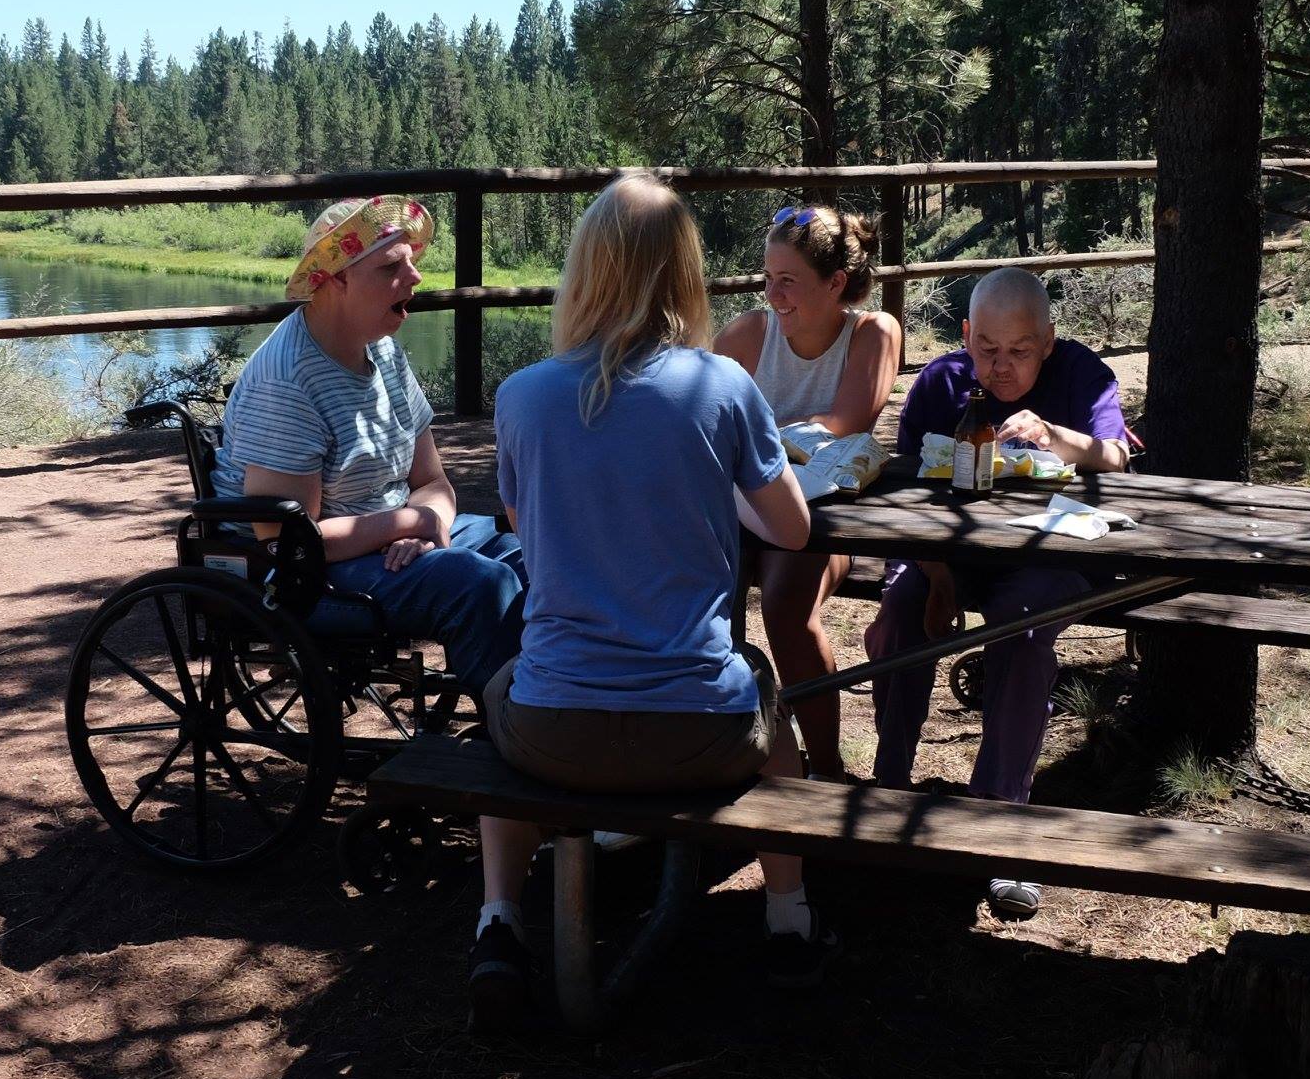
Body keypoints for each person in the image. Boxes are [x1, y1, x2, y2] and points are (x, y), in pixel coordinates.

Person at [470, 174, 831, 1032]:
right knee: (767, 696)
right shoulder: (723, 388)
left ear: (584, 271)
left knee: (498, 693)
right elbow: (791, 528)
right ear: (683, 275)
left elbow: (527, 520)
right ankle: (788, 918)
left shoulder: (521, 395)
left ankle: (498, 923)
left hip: (557, 729)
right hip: (697, 731)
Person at [863, 266, 1130, 921]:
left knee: (1023, 626)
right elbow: (909, 501)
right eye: (985, 348)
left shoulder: (1080, 374)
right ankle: (888, 784)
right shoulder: (939, 383)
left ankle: (998, 824)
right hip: (951, 552)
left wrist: (1053, 436)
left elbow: (1115, 455)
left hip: (1052, 555)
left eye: (1018, 351)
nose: (1000, 367)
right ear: (964, 335)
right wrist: (939, 579)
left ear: (1046, 340)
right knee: (898, 609)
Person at [211, 194, 525, 696]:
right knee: (478, 585)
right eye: (390, 266)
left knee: (533, 554)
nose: (415, 276)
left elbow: (432, 481)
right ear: (335, 278)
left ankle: (554, 708)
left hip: (389, 539)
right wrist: (407, 523)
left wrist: (425, 526)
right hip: (302, 576)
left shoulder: (382, 348)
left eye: (411, 262)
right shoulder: (288, 379)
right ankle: (505, 732)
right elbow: (285, 541)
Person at [714, 205, 903, 781]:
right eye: (768, 279)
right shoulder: (747, 335)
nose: (774, 295)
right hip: (737, 508)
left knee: (786, 609)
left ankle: (824, 768)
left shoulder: (873, 334)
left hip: (825, 515)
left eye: (788, 282)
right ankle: (713, 748)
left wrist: (753, 442)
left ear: (836, 283)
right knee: (695, 598)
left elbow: (845, 419)